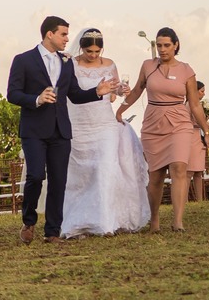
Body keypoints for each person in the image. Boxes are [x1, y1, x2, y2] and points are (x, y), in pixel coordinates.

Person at [7, 16, 116, 244]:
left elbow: (74, 95)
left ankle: (52, 232)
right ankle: (29, 221)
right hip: (34, 130)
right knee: (36, 176)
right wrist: (36, 99)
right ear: (50, 34)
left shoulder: (67, 63)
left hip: (61, 131)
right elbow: (13, 94)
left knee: (59, 181)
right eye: (63, 34)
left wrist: (97, 92)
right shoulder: (23, 60)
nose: (68, 39)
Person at [115, 27, 209, 233]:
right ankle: (154, 220)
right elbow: (137, 90)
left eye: (167, 45)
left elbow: (195, 104)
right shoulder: (148, 66)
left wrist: (205, 129)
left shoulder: (187, 70)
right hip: (153, 123)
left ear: (176, 45)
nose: (162, 49)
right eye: (159, 45)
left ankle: (178, 222)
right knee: (156, 175)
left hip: (180, 123)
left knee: (179, 167)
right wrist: (120, 110)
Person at [61, 28, 150, 237]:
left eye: (97, 51)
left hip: (105, 125)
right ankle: (78, 219)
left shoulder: (110, 64)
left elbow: (114, 92)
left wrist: (121, 90)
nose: (93, 55)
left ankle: (106, 222)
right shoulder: (70, 63)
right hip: (79, 126)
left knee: (105, 169)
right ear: (81, 47)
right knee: (80, 176)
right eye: (89, 51)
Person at [189, 81, 207, 201]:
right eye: (202, 91)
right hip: (191, 138)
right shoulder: (189, 104)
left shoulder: (198, 104)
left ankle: (200, 200)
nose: (203, 94)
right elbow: (195, 121)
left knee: (198, 172)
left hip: (198, 138)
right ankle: (184, 200)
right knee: (189, 171)